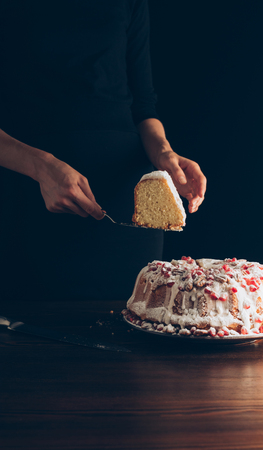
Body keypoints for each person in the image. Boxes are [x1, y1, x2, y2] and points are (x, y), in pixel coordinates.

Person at [0, 0, 206, 301]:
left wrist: (165, 154)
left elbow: (143, 106)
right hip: (30, 198)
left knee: (139, 327)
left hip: (127, 203)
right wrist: (40, 166)